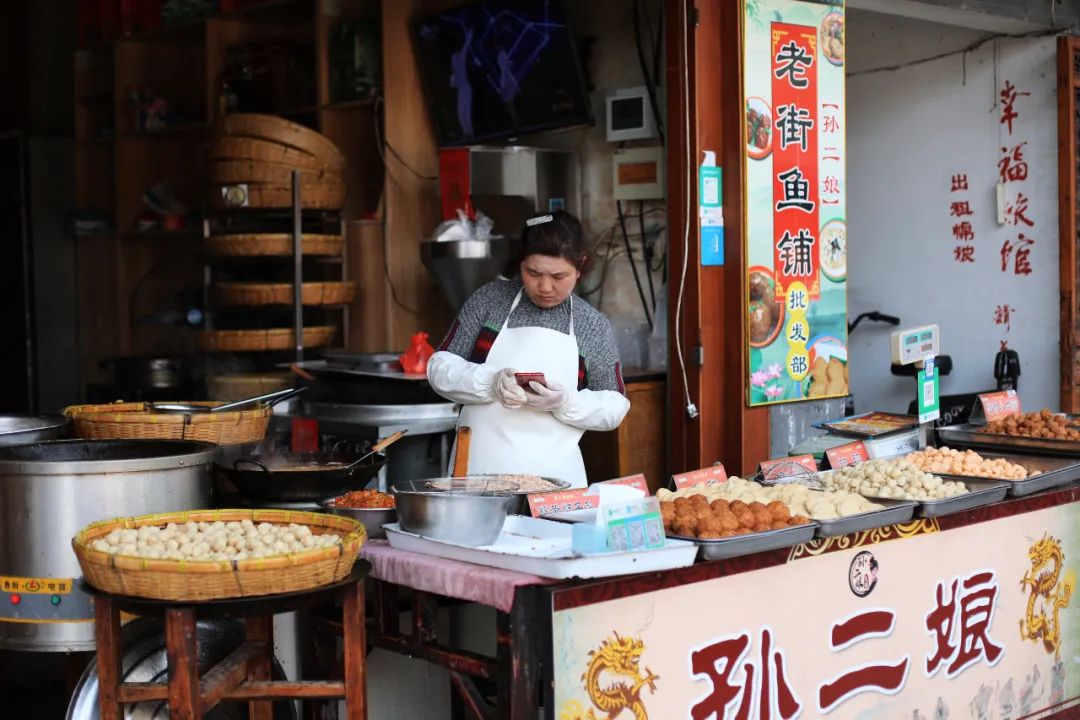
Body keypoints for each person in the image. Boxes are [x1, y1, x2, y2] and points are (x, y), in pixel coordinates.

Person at [427, 211, 630, 487]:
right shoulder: (489, 301)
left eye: (558, 276)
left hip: (556, 485)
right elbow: (439, 368)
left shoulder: (591, 325)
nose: (545, 287)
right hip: (477, 477)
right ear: (520, 262)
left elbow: (615, 406)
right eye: (533, 273)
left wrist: (566, 402)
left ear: (580, 267)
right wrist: (490, 382)